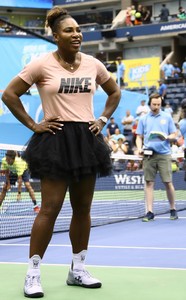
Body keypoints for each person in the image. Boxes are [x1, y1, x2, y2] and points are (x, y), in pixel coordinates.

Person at [1, 6, 121, 298]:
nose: (76, 34)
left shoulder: (93, 64)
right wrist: (33, 124)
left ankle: (77, 269)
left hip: (86, 139)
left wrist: (103, 119)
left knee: (83, 210)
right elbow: (9, 94)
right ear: (56, 36)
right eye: (69, 30)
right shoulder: (41, 65)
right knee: (50, 209)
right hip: (54, 139)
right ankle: (32, 274)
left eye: (78, 29)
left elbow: (114, 93)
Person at [136, 93, 178, 222]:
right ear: (150, 104)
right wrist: (139, 148)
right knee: (149, 183)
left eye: (158, 104)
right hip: (149, 155)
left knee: (168, 182)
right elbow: (139, 136)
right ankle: (149, 211)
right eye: (154, 104)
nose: (156, 106)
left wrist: (168, 137)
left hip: (164, 154)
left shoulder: (167, 117)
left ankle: (173, 209)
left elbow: (174, 133)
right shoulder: (143, 119)